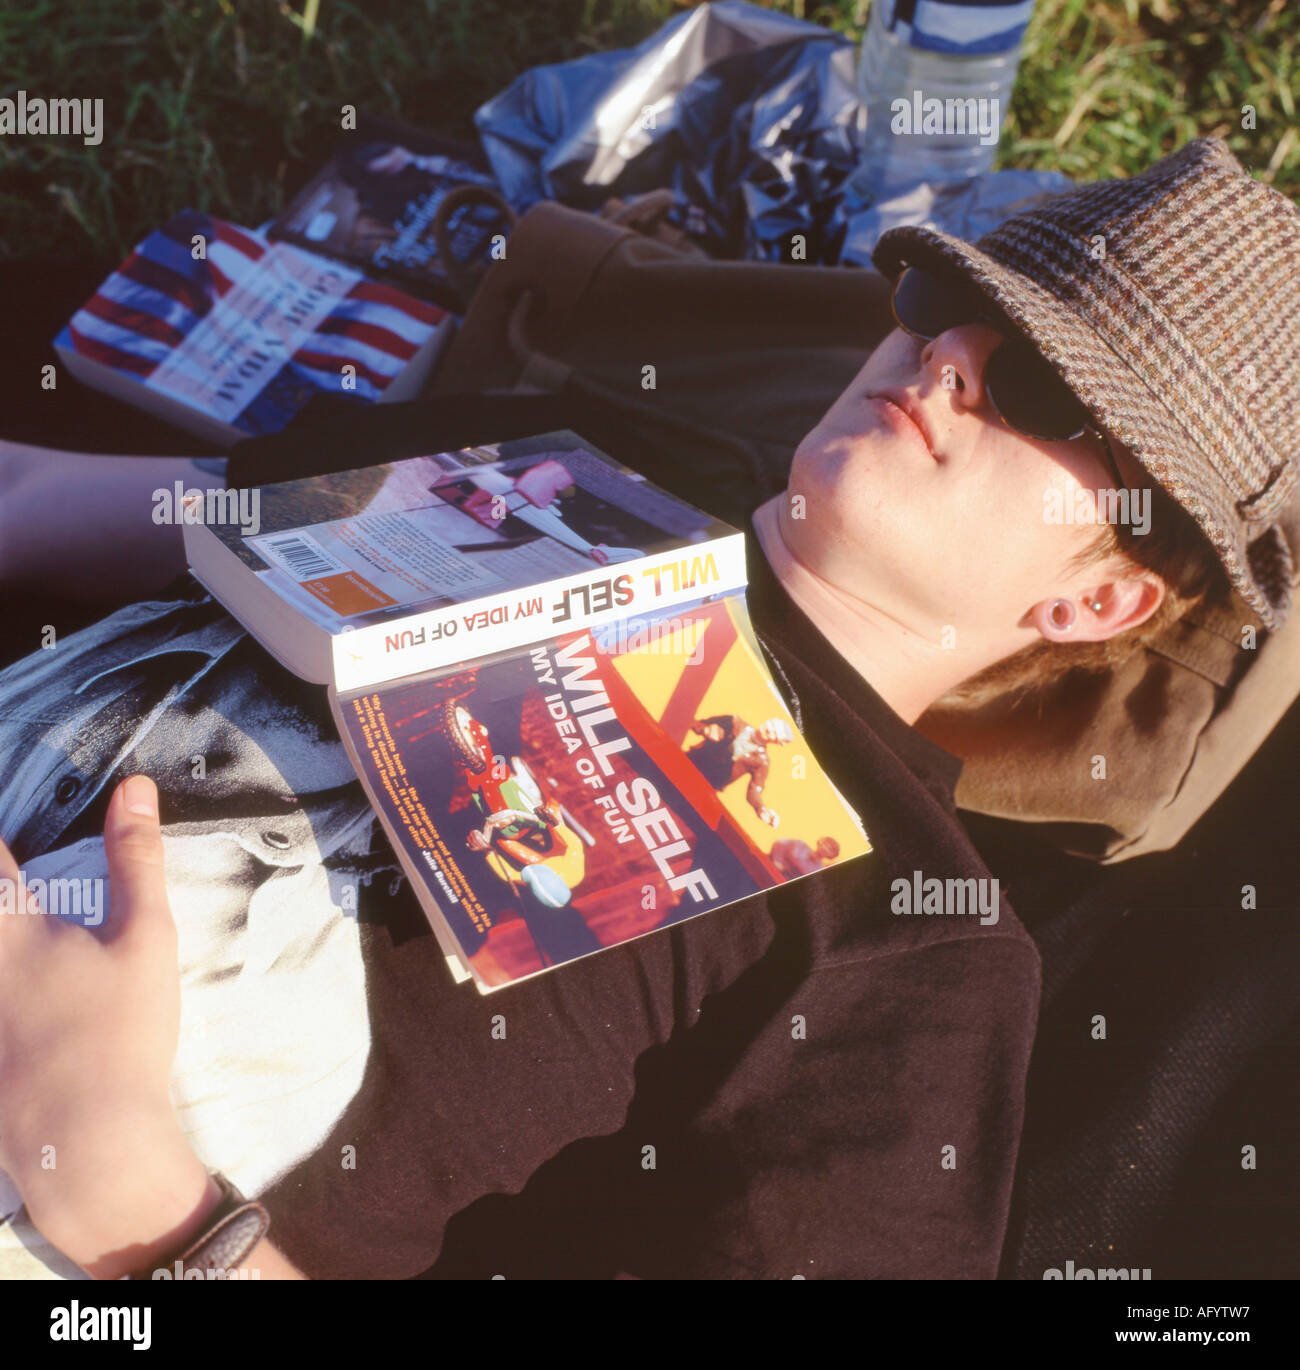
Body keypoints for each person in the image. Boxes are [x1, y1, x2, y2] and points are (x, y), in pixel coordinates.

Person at [0, 137, 1295, 1280]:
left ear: (1100, 602)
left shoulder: (908, 946)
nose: (948, 353)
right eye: (946, 299)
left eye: (1049, 394)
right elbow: (49, 508)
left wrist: (135, 1200)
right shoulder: (570, 466)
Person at [685, 715, 792, 825]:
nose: (769, 729)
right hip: (687, 763)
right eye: (772, 724)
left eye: (775, 733)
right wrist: (705, 730)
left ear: (777, 742)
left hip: (705, 788)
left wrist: (761, 809)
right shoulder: (734, 722)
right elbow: (693, 723)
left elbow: (754, 790)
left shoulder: (761, 761)